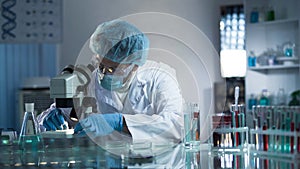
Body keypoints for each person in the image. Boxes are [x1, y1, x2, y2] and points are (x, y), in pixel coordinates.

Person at [37, 19, 183, 143]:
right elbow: (58, 116)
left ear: (134, 66)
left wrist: (120, 122)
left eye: (113, 68)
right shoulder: (91, 79)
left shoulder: (159, 78)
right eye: (101, 65)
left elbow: (176, 125)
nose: (104, 74)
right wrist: (47, 120)